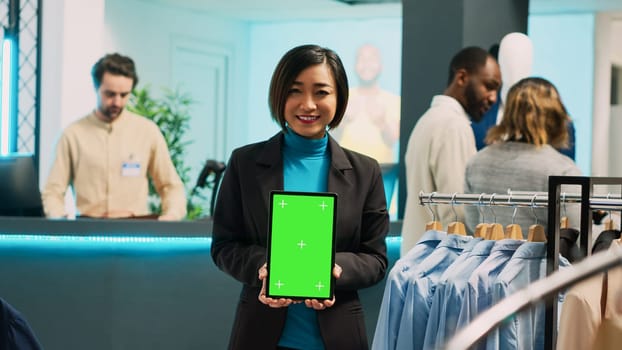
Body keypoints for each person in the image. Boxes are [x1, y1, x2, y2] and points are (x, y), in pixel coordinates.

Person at [210, 44, 389, 350]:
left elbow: (376, 259)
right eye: (295, 91)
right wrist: (265, 266)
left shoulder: (365, 171)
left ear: (339, 98)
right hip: (260, 335)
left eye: (321, 92)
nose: (308, 104)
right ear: (280, 96)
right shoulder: (245, 163)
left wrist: (333, 268)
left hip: (338, 336)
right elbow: (224, 246)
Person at [42, 53, 187, 220]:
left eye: (124, 95)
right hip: (89, 230)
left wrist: (169, 218)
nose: (117, 102)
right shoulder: (72, 135)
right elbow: (53, 191)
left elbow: (171, 186)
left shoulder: (148, 131)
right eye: (110, 94)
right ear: (96, 88)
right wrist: (59, 219)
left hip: (136, 230)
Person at [401, 46, 501, 256]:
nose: (493, 98)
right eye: (488, 86)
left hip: (419, 260)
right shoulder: (453, 126)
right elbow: (457, 213)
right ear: (462, 77)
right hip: (440, 265)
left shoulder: (428, 119)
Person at [464, 77, 582, 234]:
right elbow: (575, 234)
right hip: (540, 258)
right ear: (555, 116)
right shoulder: (563, 170)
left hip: (485, 256)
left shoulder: (476, 163)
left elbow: (473, 225)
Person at [334, 44, 400, 164]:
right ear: (355, 66)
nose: (366, 64)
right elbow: (330, 139)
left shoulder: (394, 100)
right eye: (362, 59)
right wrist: (344, 120)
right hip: (346, 171)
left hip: (382, 172)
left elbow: (392, 141)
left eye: (372, 59)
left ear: (381, 66)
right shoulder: (341, 98)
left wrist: (381, 123)